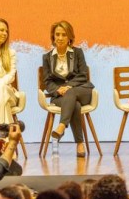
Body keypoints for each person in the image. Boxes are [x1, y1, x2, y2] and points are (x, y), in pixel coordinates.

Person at [41, 20, 95, 158]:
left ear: (69, 37)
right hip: (60, 96)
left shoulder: (77, 53)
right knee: (74, 105)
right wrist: (57, 90)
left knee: (71, 94)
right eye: (57, 34)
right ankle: (80, 143)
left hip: (81, 90)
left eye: (64, 35)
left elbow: (83, 75)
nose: (60, 38)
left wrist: (68, 86)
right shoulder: (47, 57)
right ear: (53, 36)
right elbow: (47, 82)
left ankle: (61, 126)